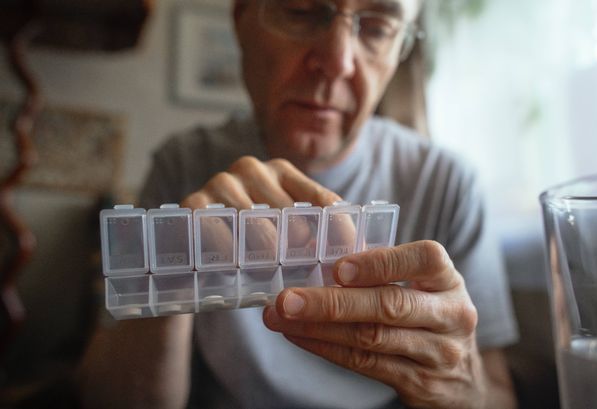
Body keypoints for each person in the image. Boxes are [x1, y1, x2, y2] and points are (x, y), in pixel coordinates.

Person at [79, 0, 519, 408]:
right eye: (302, 11)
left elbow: (497, 395)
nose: (337, 62)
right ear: (240, 20)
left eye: (378, 27)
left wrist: (460, 385)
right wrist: (174, 281)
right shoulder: (183, 163)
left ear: (400, 49)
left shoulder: (446, 182)